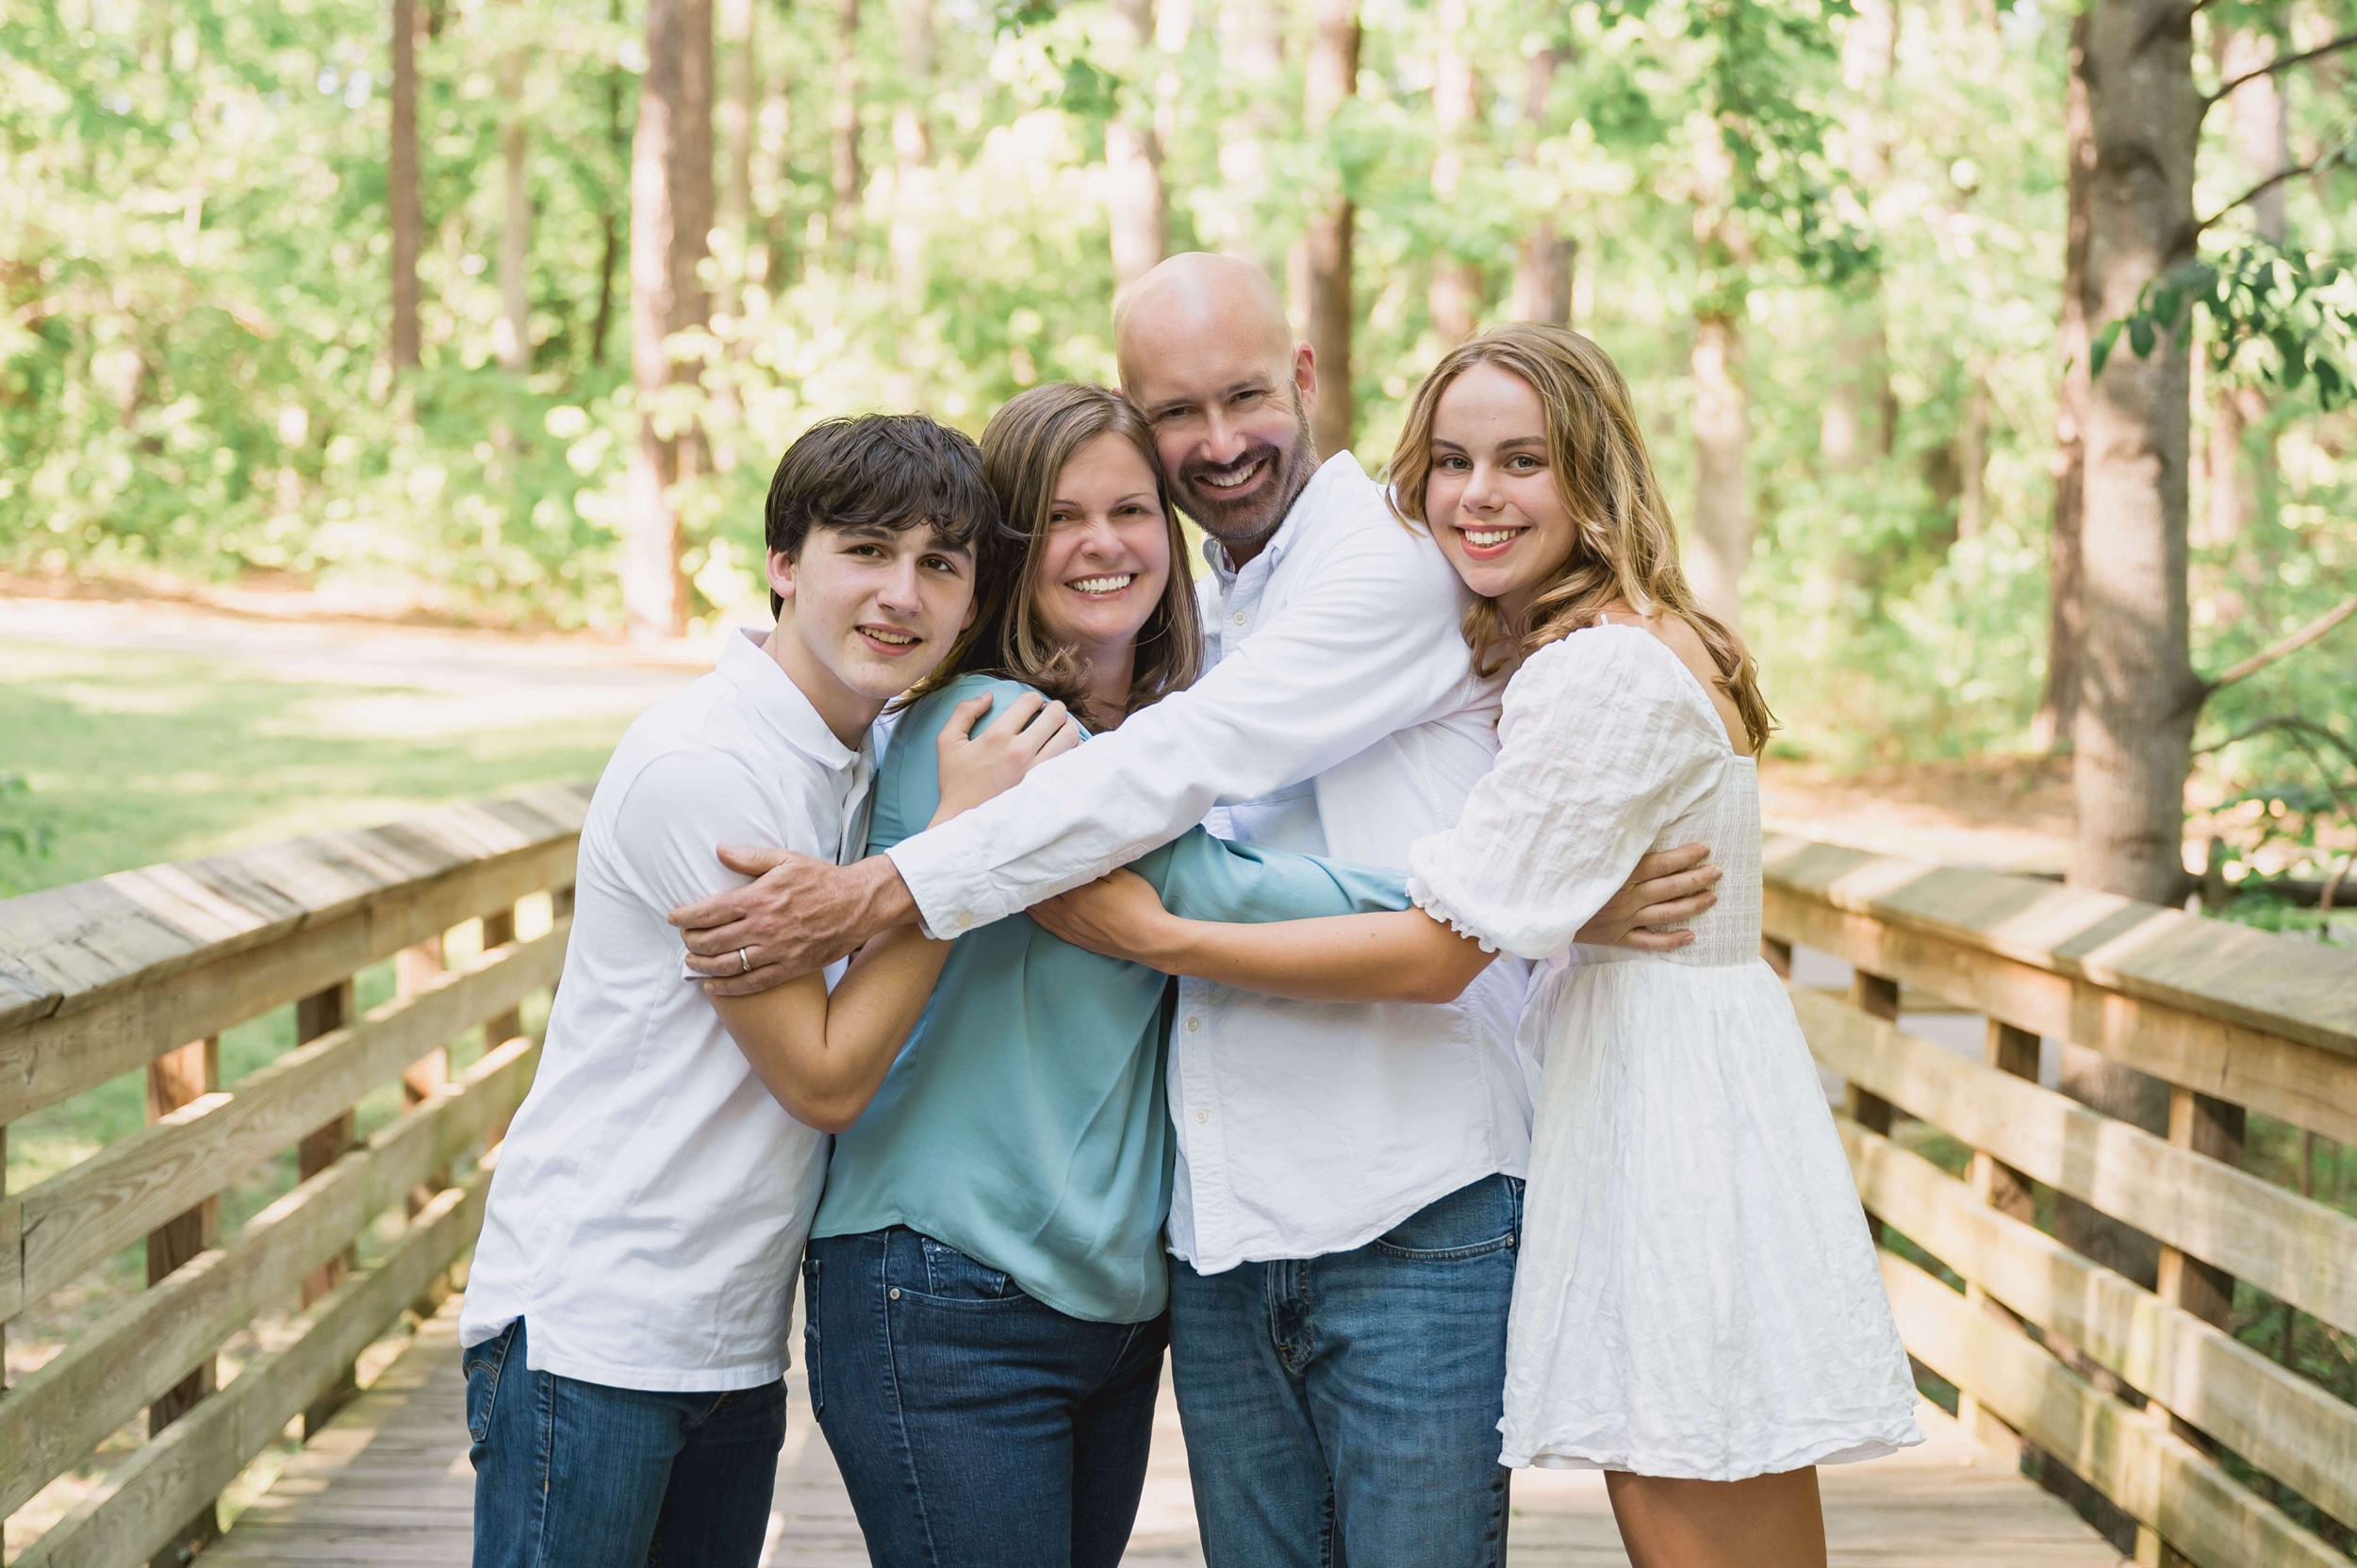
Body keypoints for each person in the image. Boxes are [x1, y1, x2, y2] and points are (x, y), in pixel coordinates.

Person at [667, 256, 1722, 1565]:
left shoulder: (1381, 566)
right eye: (1174, 414)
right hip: (1181, 1250)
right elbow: (1181, 831)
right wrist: (1526, 903)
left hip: (1405, 1210)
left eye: (1241, 397)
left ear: (1305, 380)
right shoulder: (1055, 695)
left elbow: (1186, 789)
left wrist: (1524, 903)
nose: (1216, 444)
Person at [1034, 324, 1924, 1568]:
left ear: (1595, 471)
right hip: (1671, 1097)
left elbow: (1439, 952)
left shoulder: (1595, 669)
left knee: (1698, 1512)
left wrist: (1165, 934)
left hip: (1664, 1119)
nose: (1478, 496)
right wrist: (1556, 907)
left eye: (1523, 461)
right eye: (1452, 461)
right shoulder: (1620, 641)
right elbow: (1512, 884)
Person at [804, 382, 1417, 1568]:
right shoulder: (993, 729)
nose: (1102, 544)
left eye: (1131, 509)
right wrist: (1490, 894)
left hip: (1104, 1308)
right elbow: (1219, 893)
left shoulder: (1146, 740)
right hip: (944, 1286)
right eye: (1059, 518)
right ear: (1007, 556)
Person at [456, 414, 1081, 1568]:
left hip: (732, 1341)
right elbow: (825, 1074)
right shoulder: (710, 769)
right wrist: (961, 843)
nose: (902, 592)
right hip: (599, 1328)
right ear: (785, 561)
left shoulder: (859, 748)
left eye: (940, 564)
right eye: (867, 549)